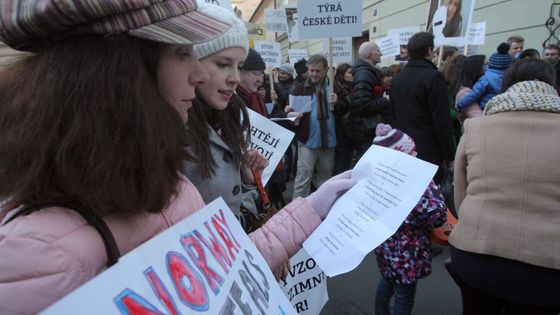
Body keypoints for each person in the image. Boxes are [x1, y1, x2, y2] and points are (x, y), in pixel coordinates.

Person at [0, 1, 356, 313]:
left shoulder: (171, 183)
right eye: (183, 53)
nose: (199, 73)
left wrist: (311, 209)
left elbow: (219, 275)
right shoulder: (34, 254)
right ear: (119, 71)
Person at [449, 58, 560, 315]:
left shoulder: (476, 127)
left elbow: (460, 193)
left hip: (476, 251)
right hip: (547, 264)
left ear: (506, 85)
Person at [182, 4, 267, 231]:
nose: (235, 79)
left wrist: (244, 177)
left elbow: (230, 209)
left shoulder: (226, 116)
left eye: (239, 66)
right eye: (222, 64)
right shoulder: (173, 128)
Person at [372, 124, 447, 315]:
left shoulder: (376, 179)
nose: (416, 154)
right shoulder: (416, 182)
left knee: (387, 281)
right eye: (412, 152)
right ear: (401, 158)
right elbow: (435, 215)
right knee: (404, 294)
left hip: (385, 247)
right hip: (408, 250)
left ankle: (380, 312)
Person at [390, 32, 455, 184]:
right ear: (430, 51)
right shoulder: (433, 77)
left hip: (404, 147)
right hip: (429, 150)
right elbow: (441, 119)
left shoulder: (398, 78)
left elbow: (392, 115)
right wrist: (449, 154)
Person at [290, 54, 338, 199]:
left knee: (325, 180)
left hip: (329, 142)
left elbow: (346, 111)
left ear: (326, 70)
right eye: (311, 70)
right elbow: (291, 117)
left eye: (318, 70)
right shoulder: (298, 89)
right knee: (302, 180)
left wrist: (339, 102)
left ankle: (322, 210)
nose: (314, 74)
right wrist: (291, 116)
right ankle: (296, 213)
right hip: (307, 141)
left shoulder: (334, 88)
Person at [349, 41, 391, 161]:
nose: (381, 53)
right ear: (370, 55)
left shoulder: (367, 72)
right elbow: (362, 105)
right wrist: (384, 100)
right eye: (378, 50)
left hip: (367, 129)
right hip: (366, 131)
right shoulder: (364, 74)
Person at [457, 43, 512, 111]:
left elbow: (474, 94)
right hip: (503, 108)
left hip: (486, 108)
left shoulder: (485, 79)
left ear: (490, 63)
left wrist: (460, 104)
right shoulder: (511, 78)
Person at [332, 63, 354, 175]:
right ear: (342, 74)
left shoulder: (351, 87)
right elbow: (340, 110)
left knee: (347, 163)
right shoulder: (336, 87)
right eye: (350, 73)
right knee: (340, 165)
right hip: (340, 132)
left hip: (349, 131)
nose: (353, 75)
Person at [455, 54, 486, 119]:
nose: (488, 69)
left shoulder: (478, 89)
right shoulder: (465, 93)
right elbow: (479, 119)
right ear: (476, 71)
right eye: (484, 66)